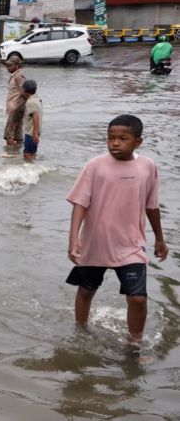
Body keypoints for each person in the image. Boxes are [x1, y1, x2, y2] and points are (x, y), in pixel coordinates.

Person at [66, 114, 169, 348]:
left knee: (138, 298)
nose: (115, 143)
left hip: (131, 245)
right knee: (86, 291)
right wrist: (74, 240)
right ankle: (80, 333)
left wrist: (159, 239)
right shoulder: (95, 166)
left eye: (123, 138)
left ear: (138, 142)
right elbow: (80, 203)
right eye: (110, 138)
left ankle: (134, 344)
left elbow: (151, 206)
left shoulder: (147, 167)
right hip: (96, 243)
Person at [3, 55, 27, 146]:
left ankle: (10, 154)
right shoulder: (15, 75)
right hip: (17, 107)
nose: (8, 67)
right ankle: (17, 154)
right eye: (7, 65)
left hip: (16, 108)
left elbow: (24, 92)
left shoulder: (19, 76)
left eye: (10, 65)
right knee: (18, 133)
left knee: (9, 134)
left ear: (17, 65)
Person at [21, 79, 42, 162]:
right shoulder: (38, 99)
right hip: (36, 131)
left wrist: (34, 133)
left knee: (27, 153)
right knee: (32, 152)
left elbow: (35, 116)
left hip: (31, 132)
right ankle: (33, 168)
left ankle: (29, 171)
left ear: (24, 90)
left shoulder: (30, 102)